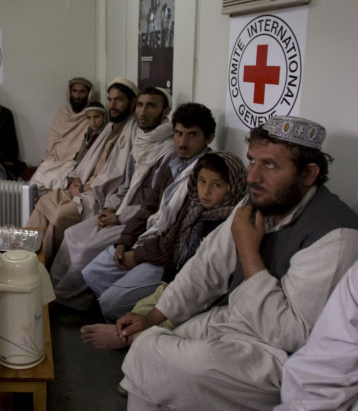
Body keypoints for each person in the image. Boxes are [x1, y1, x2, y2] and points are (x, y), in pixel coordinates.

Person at [117, 116, 358, 410]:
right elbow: (206, 268)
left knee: (185, 362)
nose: (252, 176)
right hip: (234, 325)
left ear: (308, 175)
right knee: (150, 344)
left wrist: (248, 252)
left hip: (281, 358)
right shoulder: (257, 203)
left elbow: (294, 336)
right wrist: (154, 317)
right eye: (252, 160)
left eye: (269, 165)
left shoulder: (340, 239)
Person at [80, 151, 246, 349]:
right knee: (139, 309)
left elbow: (212, 275)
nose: (206, 191)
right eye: (202, 181)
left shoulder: (230, 224)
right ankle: (126, 334)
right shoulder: (194, 208)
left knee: (163, 323)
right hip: (172, 278)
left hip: (197, 293)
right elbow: (171, 240)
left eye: (216, 185)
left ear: (232, 187)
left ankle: (123, 338)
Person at [80, 103, 217, 321]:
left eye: (192, 135)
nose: (183, 142)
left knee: (109, 302)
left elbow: (177, 234)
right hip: (148, 240)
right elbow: (148, 208)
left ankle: (128, 325)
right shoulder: (172, 162)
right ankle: (124, 314)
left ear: (209, 138)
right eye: (179, 134)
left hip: (166, 259)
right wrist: (125, 242)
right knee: (91, 272)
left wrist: (138, 255)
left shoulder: (206, 176)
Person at [52, 89, 179, 311]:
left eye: (151, 106)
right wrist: (109, 208)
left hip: (139, 221)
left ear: (165, 111)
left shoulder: (169, 151)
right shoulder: (141, 141)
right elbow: (125, 185)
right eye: (140, 105)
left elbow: (159, 207)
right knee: (72, 234)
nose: (143, 112)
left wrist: (118, 217)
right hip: (118, 212)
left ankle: (69, 304)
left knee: (84, 248)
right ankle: (53, 292)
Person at [27, 77, 139, 266]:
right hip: (84, 185)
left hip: (97, 195)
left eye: (119, 100)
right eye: (110, 100)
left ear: (132, 102)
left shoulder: (132, 132)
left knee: (59, 215)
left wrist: (82, 188)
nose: (112, 105)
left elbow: (116, 177)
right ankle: (24, 257)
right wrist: (76, 179)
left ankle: (40, 269)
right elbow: (87, 161)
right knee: (44, 202)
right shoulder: (110, 127)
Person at [276, 249, 358, 410]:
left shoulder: (340, 241)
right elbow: (323, 371)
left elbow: (292, 332)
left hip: (270, 347)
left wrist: (250, 259)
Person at [30, 77, 94, 195]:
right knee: (36, 181)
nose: (78, 96)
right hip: (54, 160)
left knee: (58, 185)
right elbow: (52, 140)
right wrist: (51, 159)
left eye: (82, 92)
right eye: (74, 91)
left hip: (72, 163)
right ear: (69, 93)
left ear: (89, 94)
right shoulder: (62, 113)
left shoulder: (91, 117)